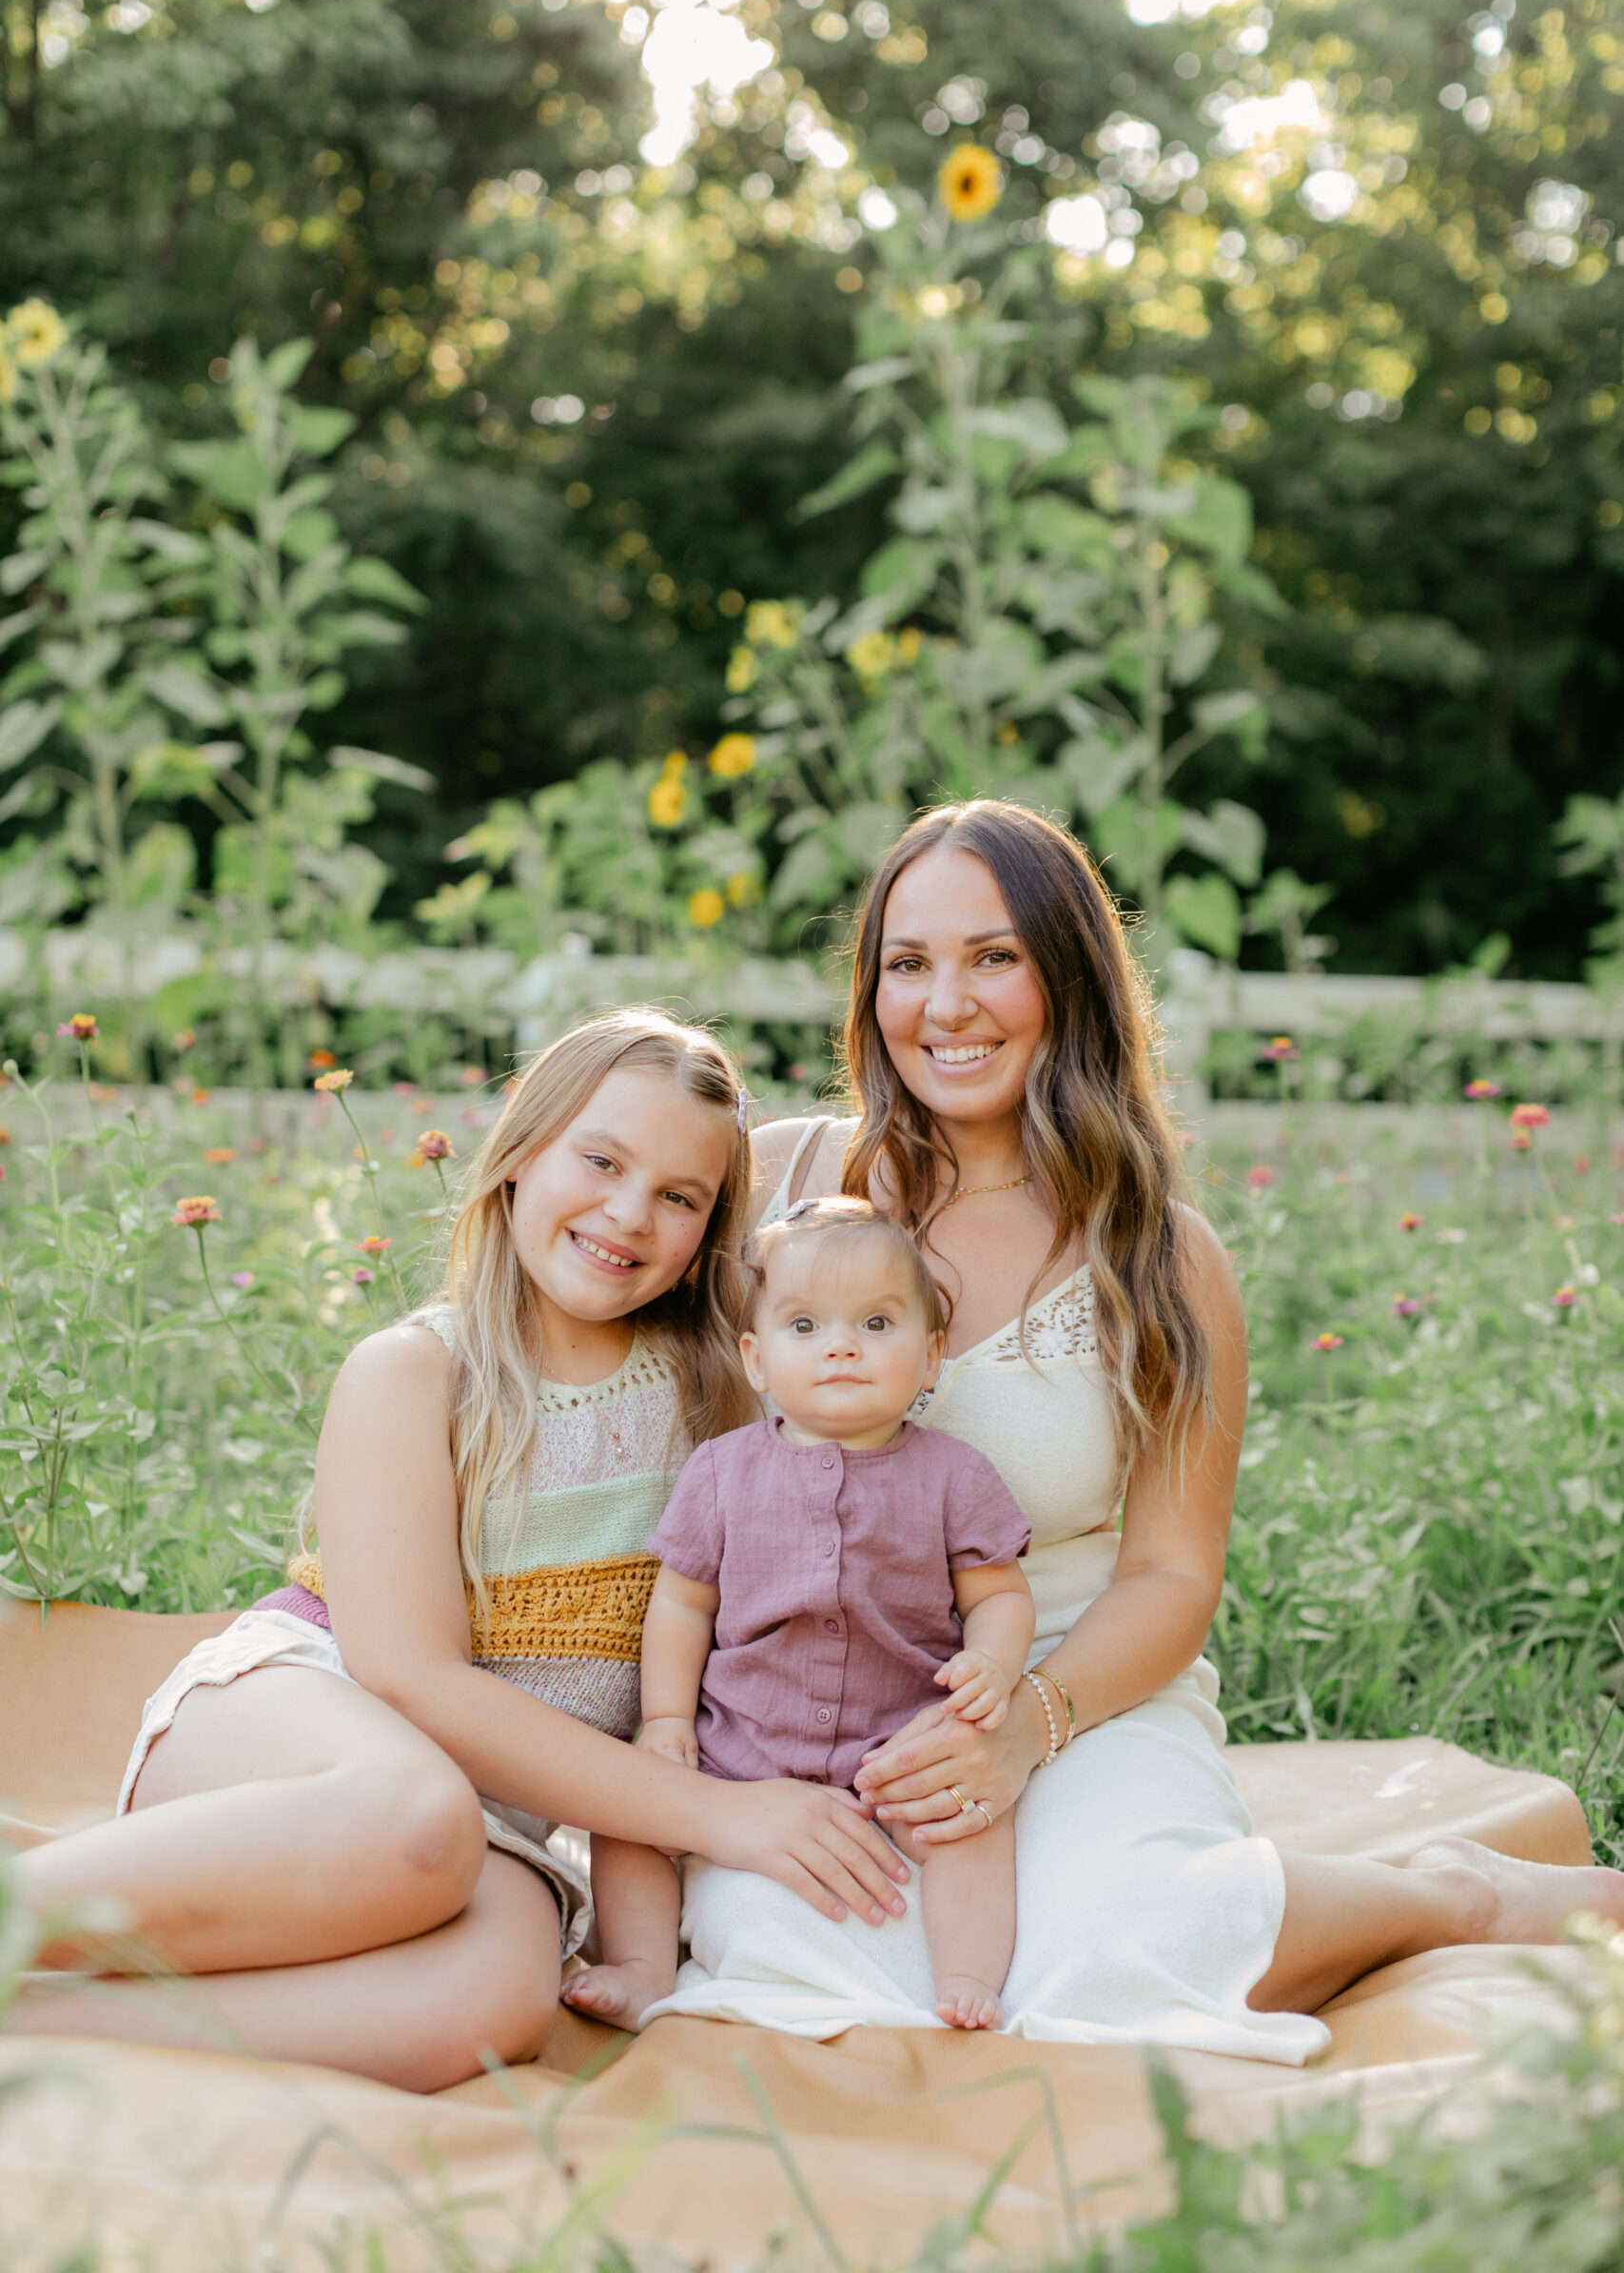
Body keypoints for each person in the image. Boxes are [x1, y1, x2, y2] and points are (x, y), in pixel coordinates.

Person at [646, 800, 1624, 2056]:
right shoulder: (779, 1186)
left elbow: (1169, 1572)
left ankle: (1452, 1894)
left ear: (1068, 976)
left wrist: (1020, 1728)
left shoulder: (1155, 1257)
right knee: (802, 1955)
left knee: (1114, 1954)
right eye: (907, 964)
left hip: (1071, 1678)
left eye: (992, 957)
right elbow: (574, 1283)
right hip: (803, 1702)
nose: (944, 1005)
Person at [10, 1010, 910, 2091]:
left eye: (681, 1196)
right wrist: (720, 1814)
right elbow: (409, 1674)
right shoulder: (418, 1371)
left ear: (711, 1234)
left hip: (495, 1820)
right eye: (602, 1159)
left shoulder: (719, 1407)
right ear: (521, 1153)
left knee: (495, 2000)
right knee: (415, 1815)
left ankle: (48, 2031)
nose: (629, 1212)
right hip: (302, 1722)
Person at [565, 1195, 1035, 2033]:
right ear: (755, 1357)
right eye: (806, 1327)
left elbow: (996, 1592)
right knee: (628, 1813)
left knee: (969, 1819)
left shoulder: (954, 1475)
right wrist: (669, 1718)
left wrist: (991, 1666)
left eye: (877, 1323)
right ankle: (641, 1967)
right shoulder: (721, 1470)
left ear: (930, 1357)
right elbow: (681, 1600)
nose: (842, 1346)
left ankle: (967, 1975)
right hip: (740, 1738)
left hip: (892, 1745)